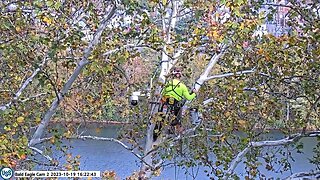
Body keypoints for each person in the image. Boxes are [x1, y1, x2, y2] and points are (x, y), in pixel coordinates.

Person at [153, 67, 197, 141]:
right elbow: (189, 98)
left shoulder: (168, 83)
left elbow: (163, 93)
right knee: (177, 118)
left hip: (165, 103)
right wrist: (194, 94)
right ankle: (173, 130)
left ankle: (155, 136)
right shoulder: (182, 86)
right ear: (180, 76)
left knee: (160, 119)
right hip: (175, 105)